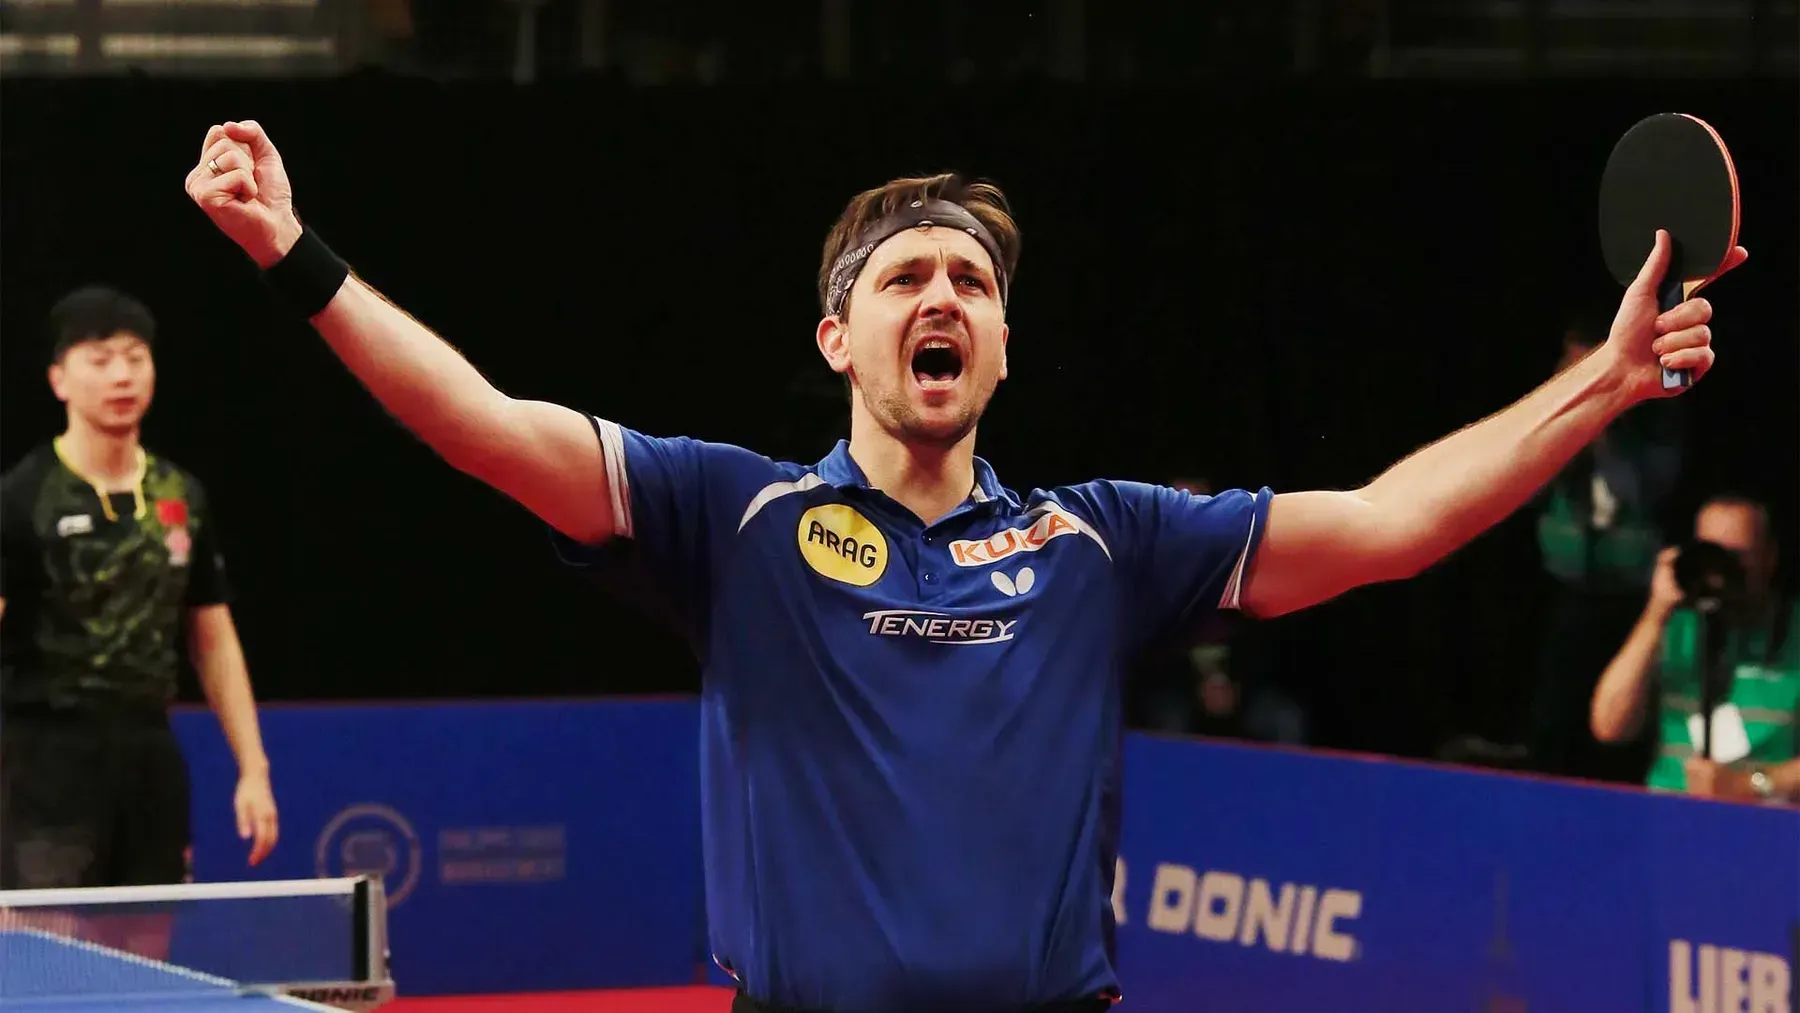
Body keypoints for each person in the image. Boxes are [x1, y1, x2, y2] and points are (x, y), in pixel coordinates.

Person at [185, 119, 1740, 1013]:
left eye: (973, 282)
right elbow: (477, 423)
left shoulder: (1104, 539)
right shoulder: (732, 519)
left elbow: (1394, 521)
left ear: (1001, 345)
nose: (943, 294)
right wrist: (291, 254)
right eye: (906, 277)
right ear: (835, 337)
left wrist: (1601, 385)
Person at [0, 286, 280, 893]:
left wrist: (253, 769)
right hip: (44, 760)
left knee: (149, 939)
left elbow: (213, 639)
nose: (121, 376)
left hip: (151, 755)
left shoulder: (181, 496)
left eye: (134, 357)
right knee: (47, 940)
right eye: (100, 360)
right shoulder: (22, 497)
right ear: (58, 379)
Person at [1525, 310, 1687, 784]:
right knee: (1553, 716)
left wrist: (1604, 425)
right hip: (1565, 588)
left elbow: (1641, 493)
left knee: (1618, 724)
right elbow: (1526, 492)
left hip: (1629, 598)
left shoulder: (1654, 425)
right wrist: (1564, 425)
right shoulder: (1551, 425)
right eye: (1569, 368)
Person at [1590, 494, 1799, 804]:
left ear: (1769, 557)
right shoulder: (1672, 625)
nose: (1721, 569)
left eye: (1736, 555)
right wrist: (1656, 612)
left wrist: (1750, 785)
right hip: (1670, 808)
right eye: (1711, 553)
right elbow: (1609, 726)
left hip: (1764, 817)